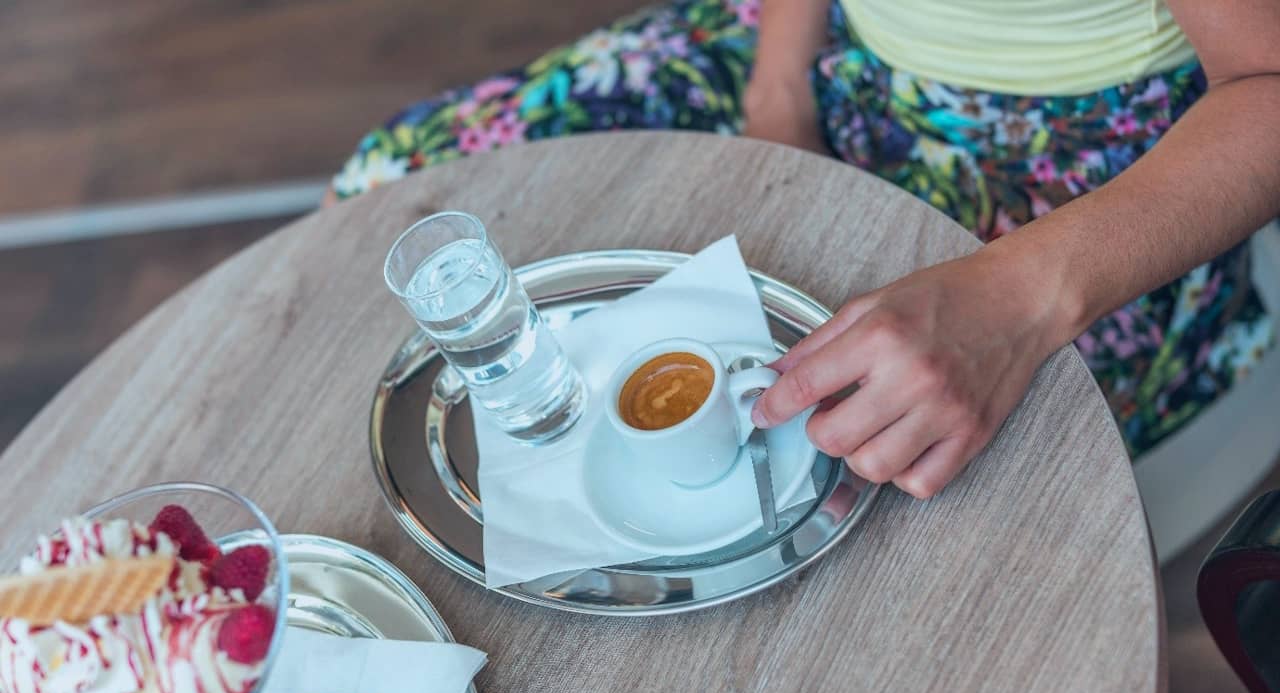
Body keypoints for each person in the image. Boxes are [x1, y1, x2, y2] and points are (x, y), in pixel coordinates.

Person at [331, 0, 1279, 499]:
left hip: (1081, 162)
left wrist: (1018, 298)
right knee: (390, 183)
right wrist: (778, 96)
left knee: (868, 461)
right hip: (825, 46)